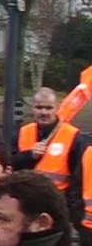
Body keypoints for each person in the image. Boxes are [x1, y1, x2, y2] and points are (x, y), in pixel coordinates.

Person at [13, 87, 84, 222]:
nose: (44, 112)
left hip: (58, 205)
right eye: (39, 108)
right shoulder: (23, 132)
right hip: (25, 203)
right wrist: (29, 156)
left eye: (48, 108)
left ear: (57, 108)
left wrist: (70, 208)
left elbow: (79, 177)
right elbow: (10, 164)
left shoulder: (72, 135)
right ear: (32, 108)